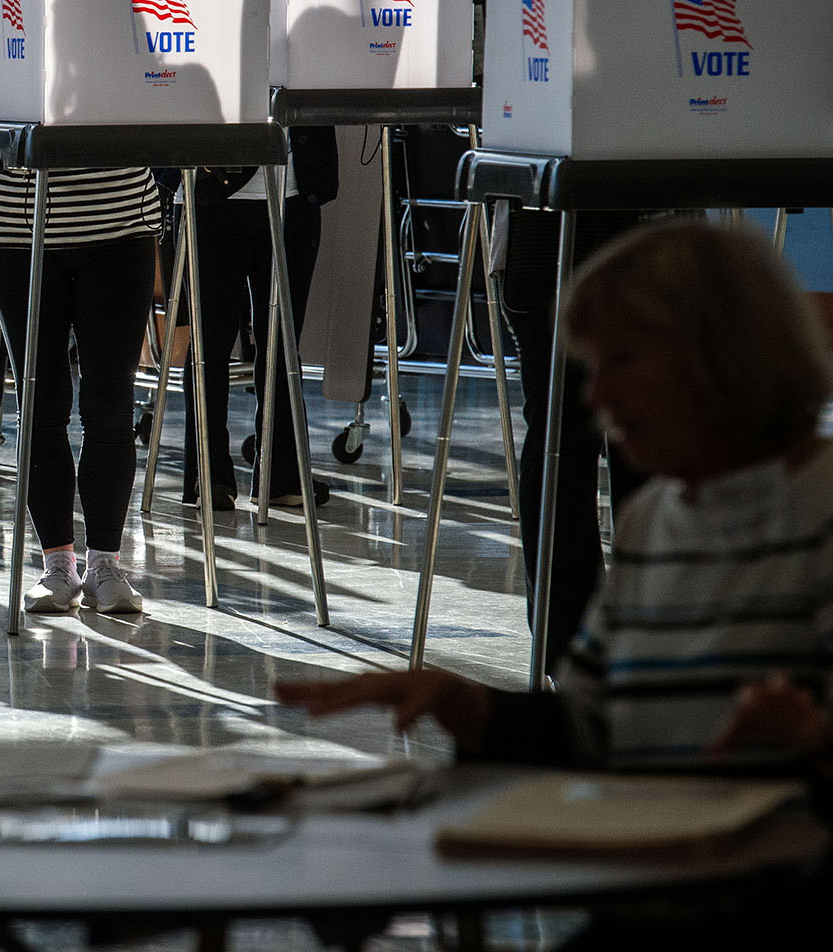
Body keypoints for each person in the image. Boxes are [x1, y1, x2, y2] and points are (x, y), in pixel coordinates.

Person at [280, 221, 833, 772]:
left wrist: (815, 739)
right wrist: (464, 704)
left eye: (621, 361)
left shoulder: (820, 511)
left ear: (720, 355)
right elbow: (589, 723)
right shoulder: (651, 521)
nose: (595, 394)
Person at [498, 0, 719, 665]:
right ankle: (564, 645)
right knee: (562, 438)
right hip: (560, 234)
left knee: (647, 440)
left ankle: (641, 635)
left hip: (651, 239)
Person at [0, 0, 160, 616]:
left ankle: (108, 564)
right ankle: (57, 564)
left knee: (109, 401)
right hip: (21, 237)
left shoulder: (130, 24)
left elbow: (159, 110)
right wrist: (23, 141)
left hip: (119, 231)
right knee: (41, 398)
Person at [179, 127, 338, 510]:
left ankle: (280, 474)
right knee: (210, 343)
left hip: (294, 189)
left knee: (282, 343)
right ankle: (209, 475)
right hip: (211, 187)